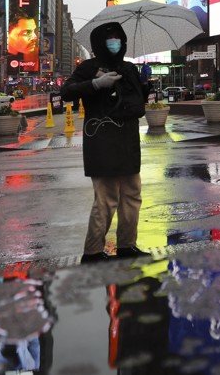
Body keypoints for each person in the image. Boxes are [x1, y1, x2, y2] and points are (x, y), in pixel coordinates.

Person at [61, 21, 149, 263]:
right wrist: (96, 84)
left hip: (128, 141)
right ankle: (93, 251)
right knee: (106, 198)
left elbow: (136, 106)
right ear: (100, 43)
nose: (115, 42)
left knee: (132, 194)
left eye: (118, 38)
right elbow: (67, 92)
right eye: (109, 39)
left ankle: (127, 245)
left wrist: (144, 86)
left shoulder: (129, 68)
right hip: (102, 140)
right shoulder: (89, 67)